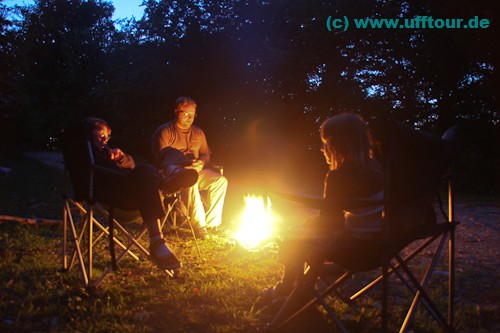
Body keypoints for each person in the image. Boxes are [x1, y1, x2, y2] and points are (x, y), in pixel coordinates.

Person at [261, 113, 383, 303]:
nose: (323, 148)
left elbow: (328, 224)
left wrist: (306, 225)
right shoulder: (381, 169)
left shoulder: (339, 177)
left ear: (337, 145)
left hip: (356, 249)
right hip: (384, 244)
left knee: (296, 236)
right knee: (307, 231)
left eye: (326, 142)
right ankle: (305, 287)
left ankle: (287, 288)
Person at [84, 117, 196, 271]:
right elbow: (110, 177)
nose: (105, 138)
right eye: (100, 132)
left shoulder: (107, 152)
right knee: (146, 170)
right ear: (88, 132)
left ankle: (172, 173)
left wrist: (122, 158)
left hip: (135, 191)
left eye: (107, 135)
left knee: (166, 153)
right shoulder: (87, 156)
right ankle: (157, 239)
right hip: (116, 197)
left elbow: (131, 165)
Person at [152, 97, 228, 235]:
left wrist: (202, 163)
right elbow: (161, 159)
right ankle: (200, 226)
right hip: (172, 174)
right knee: (190, 179)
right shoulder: (165, 132)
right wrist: (183, 164)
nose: (189, 118)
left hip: (196, 170)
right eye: (185, 114)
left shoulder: (198, 133)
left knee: (220, 181)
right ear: (176, 112)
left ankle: (213, 224)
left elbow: (206, 154)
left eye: (192, 115)